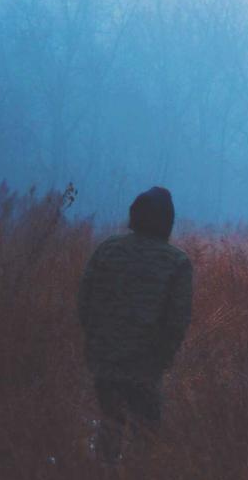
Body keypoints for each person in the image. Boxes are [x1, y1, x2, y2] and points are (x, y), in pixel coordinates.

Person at [77, 186, 193, 463]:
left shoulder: (107, 249)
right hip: (145, 365)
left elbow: (85, 302)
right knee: (147, 435)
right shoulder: (176, 262)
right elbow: (178, 320)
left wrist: (97, 343)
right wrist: (162, 358)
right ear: (168, 220)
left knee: (109, 425)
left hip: (104, 359)